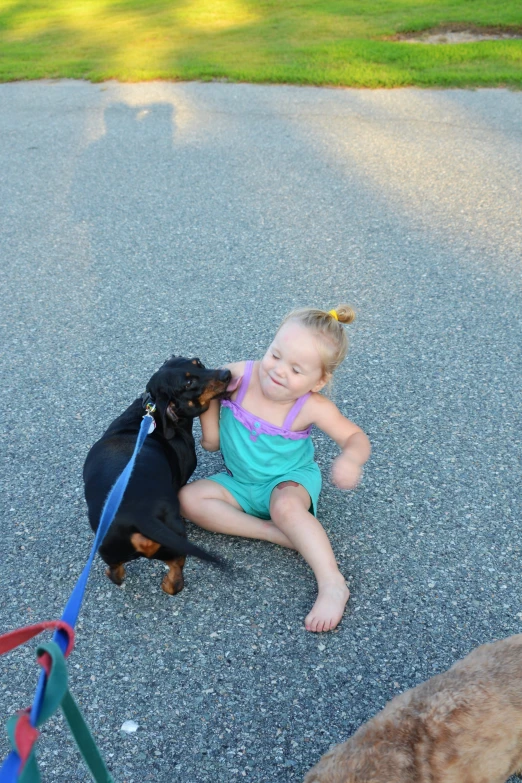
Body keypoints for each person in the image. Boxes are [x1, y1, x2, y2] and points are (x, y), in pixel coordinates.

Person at [179, 306, 371, 632]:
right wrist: (210, 433)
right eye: (275, 355)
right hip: (241, 482)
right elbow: (206, 390)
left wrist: (351, 459)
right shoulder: (240, 376)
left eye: (296, 370)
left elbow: (355, 436)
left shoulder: (311, 406)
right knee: (187, 499)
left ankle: (332, 582)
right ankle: (275, 534)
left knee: (284, 506)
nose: (279, 371)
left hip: (287, 481)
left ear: (320, 380)